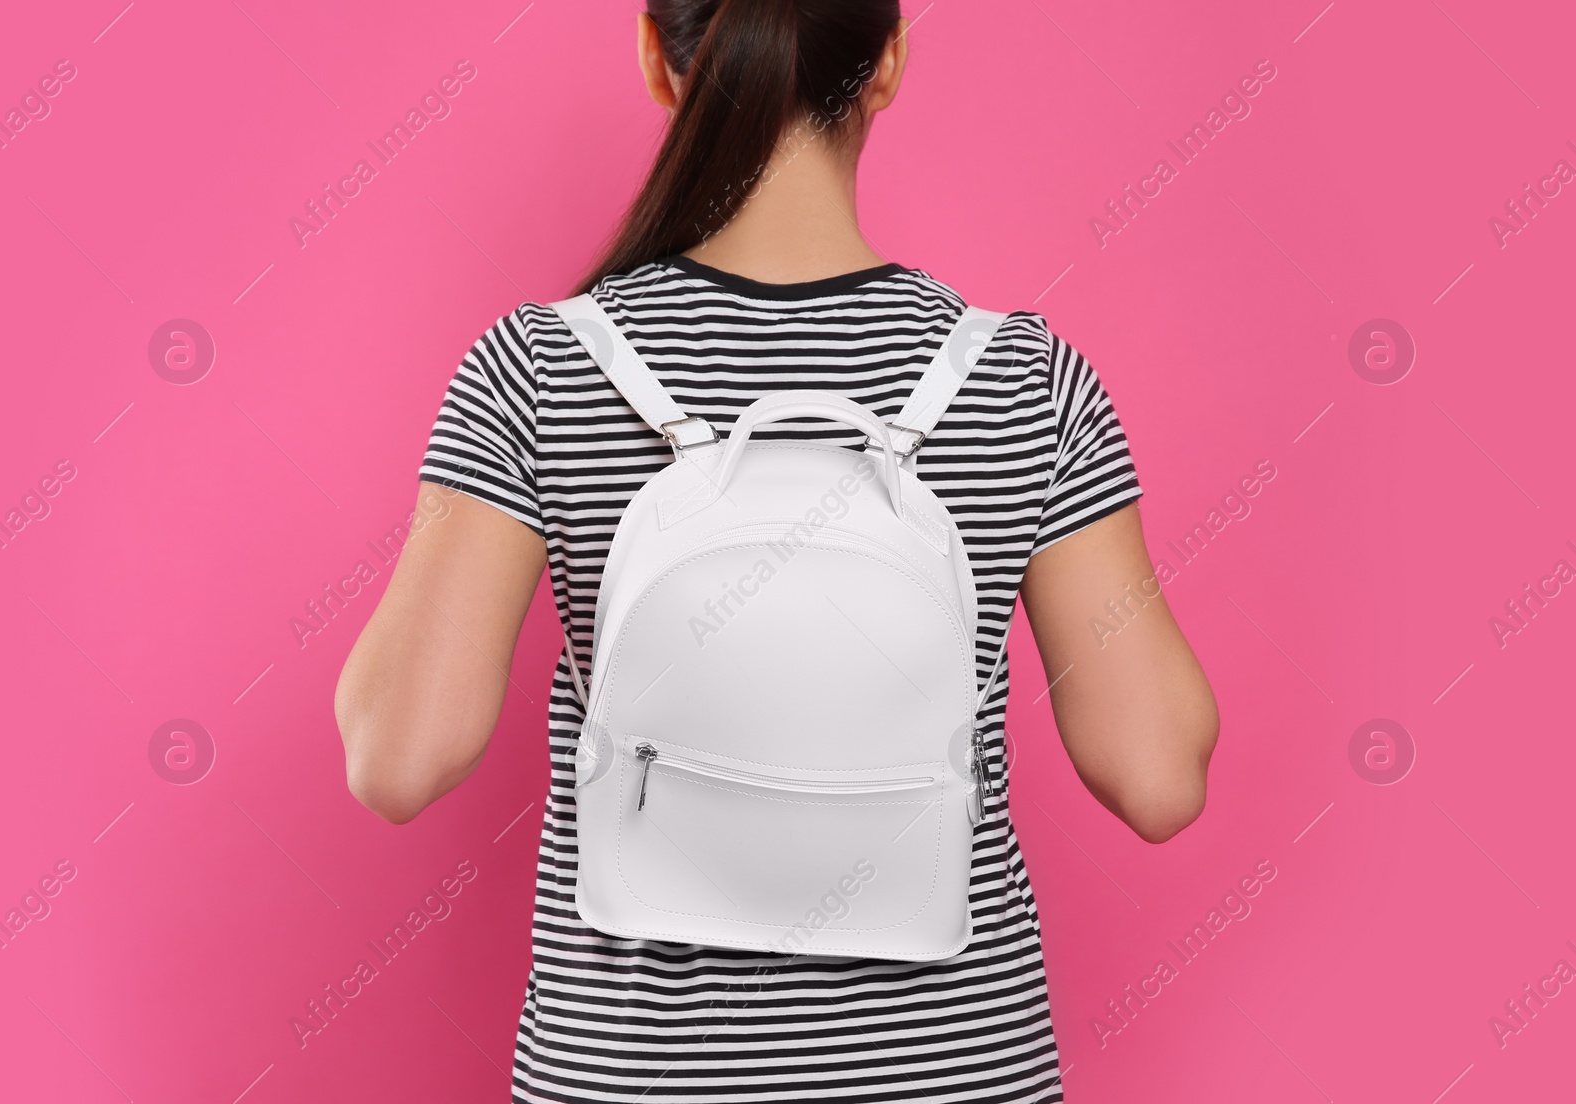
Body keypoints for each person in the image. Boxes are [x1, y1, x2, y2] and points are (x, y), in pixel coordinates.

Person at [335, 1, 1219, 1099]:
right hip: (946, 1072)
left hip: (635, 1078)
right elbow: (1157, 775)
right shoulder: (1024, 382)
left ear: (659, 59)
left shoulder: (537, 369)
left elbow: (396, 756)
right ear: (887, 62)